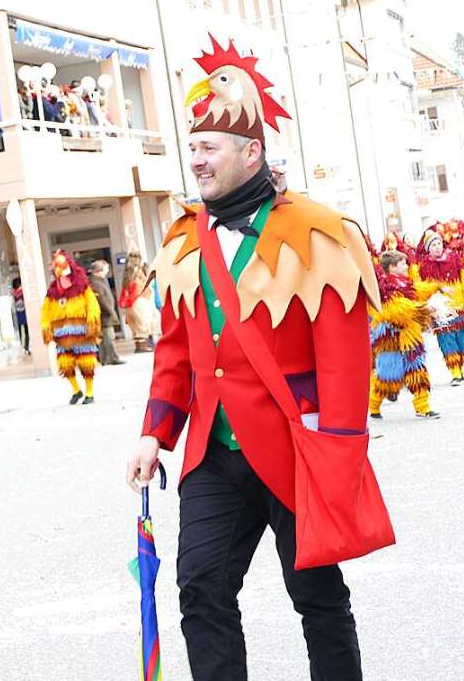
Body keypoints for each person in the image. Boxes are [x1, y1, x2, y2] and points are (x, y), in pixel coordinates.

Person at [125, 34, 393, 681]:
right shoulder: (182, 242)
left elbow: (342, 358)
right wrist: (152, 433)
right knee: (199, 589)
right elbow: (173, 355)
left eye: (208, 147)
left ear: (251, 151)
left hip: (293, 449)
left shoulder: (315, 234)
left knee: (317, 599)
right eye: (191, 147)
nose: (197, 160)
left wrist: (339, 449)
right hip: (213, 457)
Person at [369, 250, 438, 420]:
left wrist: (438, 286)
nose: (407, 266)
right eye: (402, 263)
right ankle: (373, 404)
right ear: (392, 267)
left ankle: (423, 406)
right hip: (389, 336)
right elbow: (396, 309)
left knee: (417, 368)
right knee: (389, 375)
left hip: (409, 334)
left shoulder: (405, 282)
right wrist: (422, 309)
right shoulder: (383, 288)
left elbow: (417, 292)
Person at [412, 227, 464, 385]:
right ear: (428, 249)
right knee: (447, 341)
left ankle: (461, 366)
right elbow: (420, 289)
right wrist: (438, 286)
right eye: (433, 245)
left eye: (439, 243)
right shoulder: (425, 267)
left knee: (462, 339)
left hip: (459, 307)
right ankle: (455, 371)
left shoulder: (455, 261)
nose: (437, 247)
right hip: (440, 311)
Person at [41, 250, 101, 404]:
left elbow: (92, 305)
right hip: (62, 336)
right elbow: (46, 311)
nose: (59, 269)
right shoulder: (53, 292)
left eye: (62, 265)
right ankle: (76, 390)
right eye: (56, 266)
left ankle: (89, 393)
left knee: (86, 363)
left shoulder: (82, 286)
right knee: (65, 364)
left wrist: (91, 322)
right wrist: (46, 326)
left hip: (82, 334)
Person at [119, 254, 159, 353]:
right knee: (144, 324)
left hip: (133, 303)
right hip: (140, 301)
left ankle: (139, 346)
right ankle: (143, 347)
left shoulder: (127, 273)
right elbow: (139, 287)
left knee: (136, 326)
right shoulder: (137, 272)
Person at [89, 260, 124, 365]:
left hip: (105, 315)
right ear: (99, 271)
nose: (107, 271)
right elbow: (102, 300)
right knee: (108, 337)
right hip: (104, 315)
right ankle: (112, 358)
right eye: (106, 269)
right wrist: (111, 311)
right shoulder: (96, 283)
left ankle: (105, 359)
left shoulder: (100, 281)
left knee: (105, 338)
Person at [12, 277, 29, 354]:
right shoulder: (22, 292)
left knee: (20, 332)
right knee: (26, 331)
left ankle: (22, 347)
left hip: (18, 313)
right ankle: (26, 347)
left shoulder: (14, 293)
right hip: (23, 312)